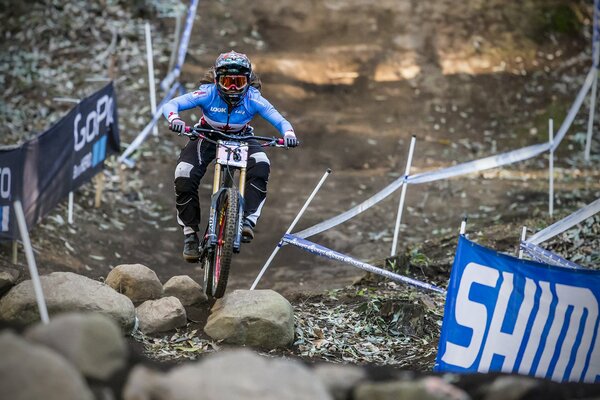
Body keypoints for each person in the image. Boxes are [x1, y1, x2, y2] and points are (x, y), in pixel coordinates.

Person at [163, 51, 298, 262]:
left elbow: (281, 121)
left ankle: (247, 221)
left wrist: (288, 134)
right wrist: (174, 119)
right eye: (227, 81)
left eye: (238, 82)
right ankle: (190, 233)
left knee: (262, 164)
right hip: (207, 134)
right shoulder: (206, 93)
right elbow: (171, 105)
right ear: (216, 80)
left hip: (242, 136)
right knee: (183, 173)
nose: (233, 88)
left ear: (248, 81)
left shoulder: (254, 98)